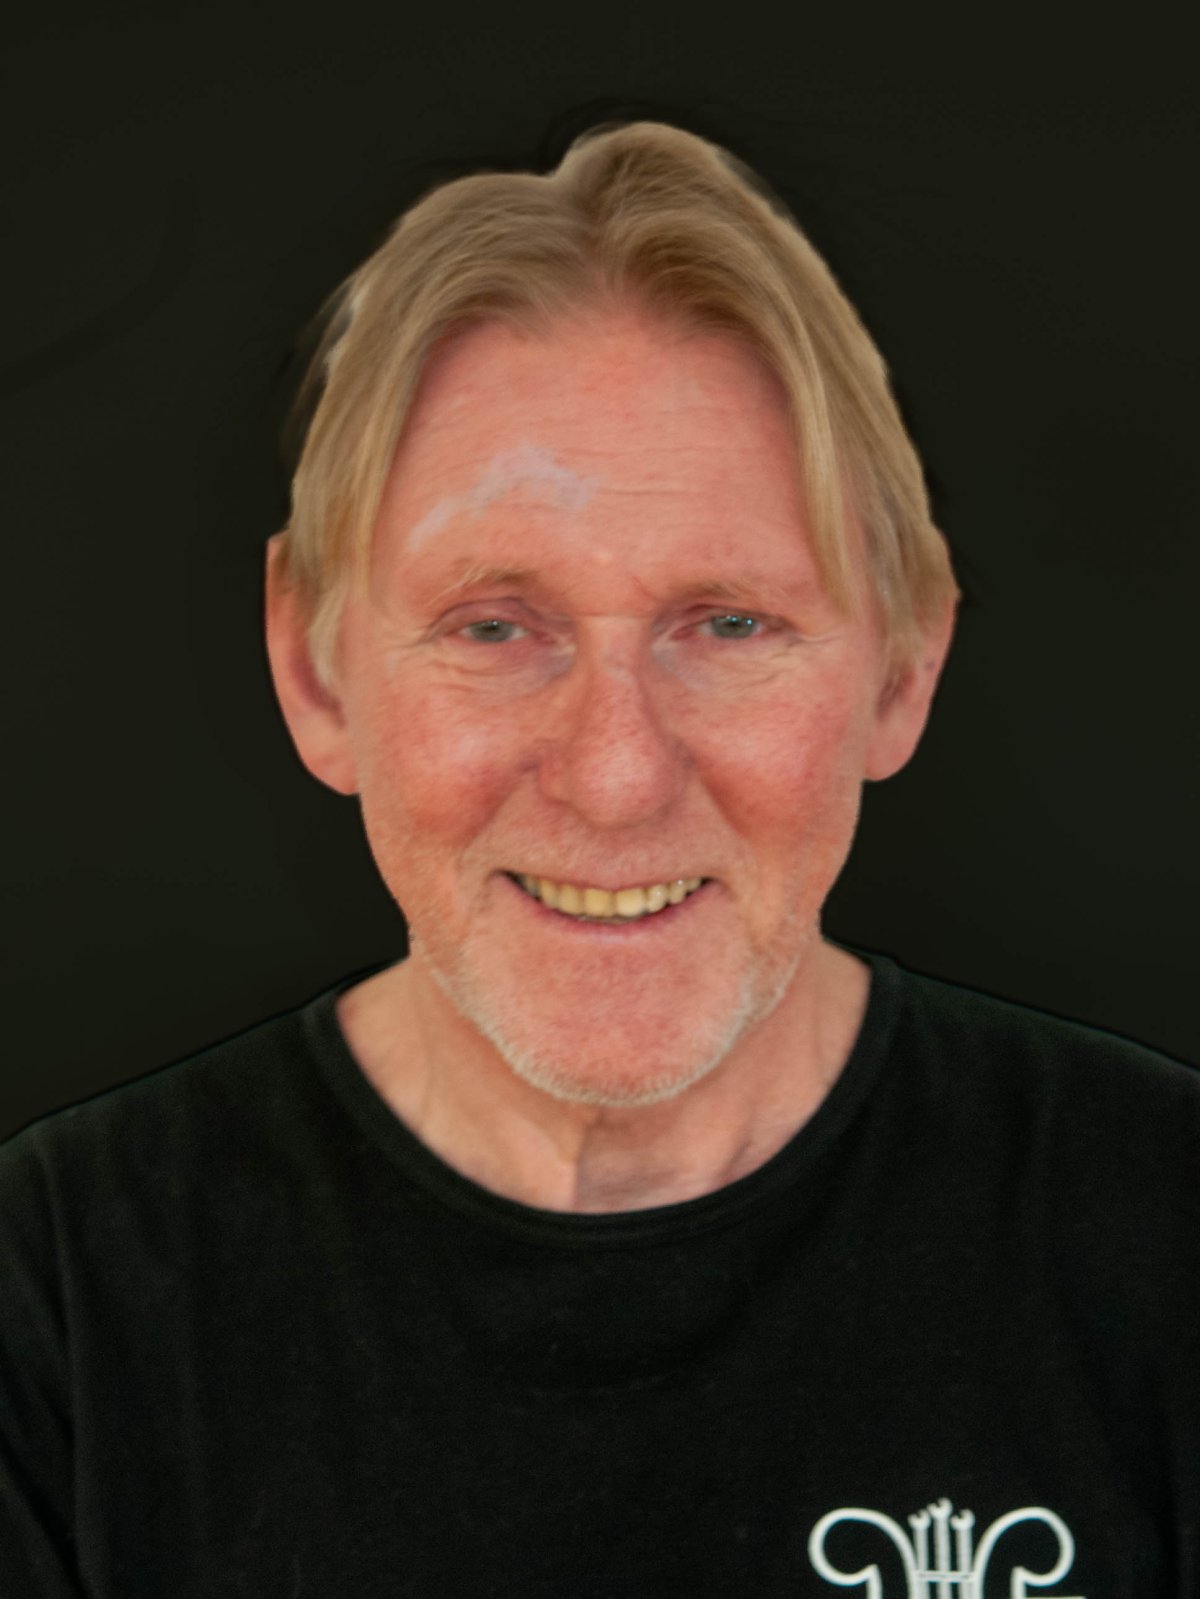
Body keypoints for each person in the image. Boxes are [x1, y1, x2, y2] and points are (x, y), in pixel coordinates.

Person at [1, 120, 1195, 1598]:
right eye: (496, 626)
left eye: (731, 623)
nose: (618, 777)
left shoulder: (1165, 1237)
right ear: (314, 674)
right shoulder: (57, 1293)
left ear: (903, 670)